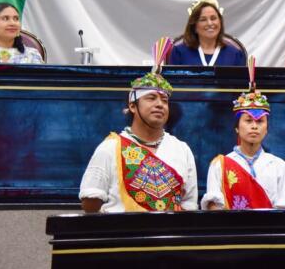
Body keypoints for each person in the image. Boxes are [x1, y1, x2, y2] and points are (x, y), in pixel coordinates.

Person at [79, 43, 198, 212]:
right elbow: (90, 203)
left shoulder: (181, 149)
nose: (159, 105)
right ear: (133, 106)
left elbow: (189, 206)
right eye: (151, 98)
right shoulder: (111, 147)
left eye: (164, 101)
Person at [202, 69, 285, 210]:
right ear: (237, 128)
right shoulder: (220, 165)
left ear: (267, 129)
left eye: (260, 122)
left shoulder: (278, 166)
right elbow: (214, 208)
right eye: (248, 120)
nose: (254, 126)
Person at [168, 0, 245, 66]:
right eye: (203, 19)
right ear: (194, 26)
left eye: (213, 18)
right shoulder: (179, 52)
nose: (209, 23)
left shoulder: (235, 54)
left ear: (220, 22)